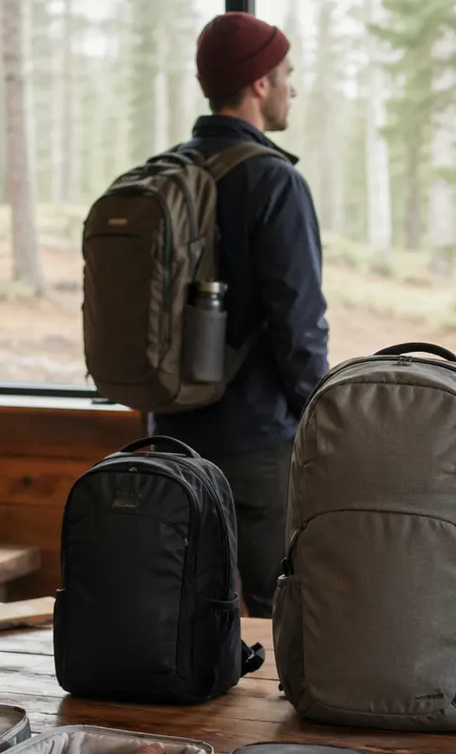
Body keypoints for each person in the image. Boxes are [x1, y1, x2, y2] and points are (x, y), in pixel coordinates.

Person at [151, 12, 330, 619]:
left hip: (169, 434)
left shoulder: (167, 172)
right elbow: (298, 325)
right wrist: (321, 420)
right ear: (259, 82)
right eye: (287, 74)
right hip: (256, 443)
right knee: (281, 609)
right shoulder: (274, 180)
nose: (291, 88)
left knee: (185, 611)